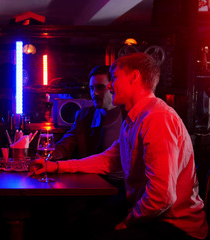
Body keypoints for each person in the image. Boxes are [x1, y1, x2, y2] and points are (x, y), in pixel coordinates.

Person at [30, 53, 208, 240]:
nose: (109, 86)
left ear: (134, 77)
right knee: (81, 226)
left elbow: (162, 197)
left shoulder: (157, 118)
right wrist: (56, 166)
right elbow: (109, 159)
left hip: (176, 226)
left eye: (114, 78)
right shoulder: (135, 118)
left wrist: (127, 222)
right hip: (152, 216)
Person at [53, 65, 125, 186]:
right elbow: (66, 144)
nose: (94, 93)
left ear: (113, 87)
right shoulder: (84, 116)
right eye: (91, 88)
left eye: (100, 87)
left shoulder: (129, 115)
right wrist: (43, 157)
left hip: (123, 185)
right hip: (93, 182)